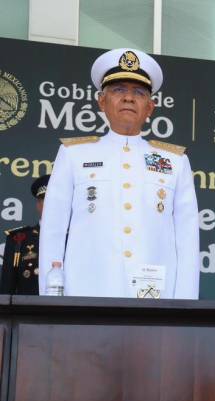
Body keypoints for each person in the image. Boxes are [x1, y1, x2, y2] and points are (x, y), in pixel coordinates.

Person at [38, 48, 200, 299]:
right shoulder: (73, 154)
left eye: (139, 93)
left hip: (154, 299)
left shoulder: (175, 161)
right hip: (85, 295)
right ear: (102, 102)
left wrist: (184, 307)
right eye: (118, 90)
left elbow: (187, 240)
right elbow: (53, 230)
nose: (128, 98)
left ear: (150, 107)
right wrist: (52, 300)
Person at [1, 175, 50, 295]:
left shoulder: (76, 238)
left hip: (70, 306)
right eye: (46, 200)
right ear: (38, 204)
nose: (52, 206)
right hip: (28, 306)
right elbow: (7, 290)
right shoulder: (18, 239)